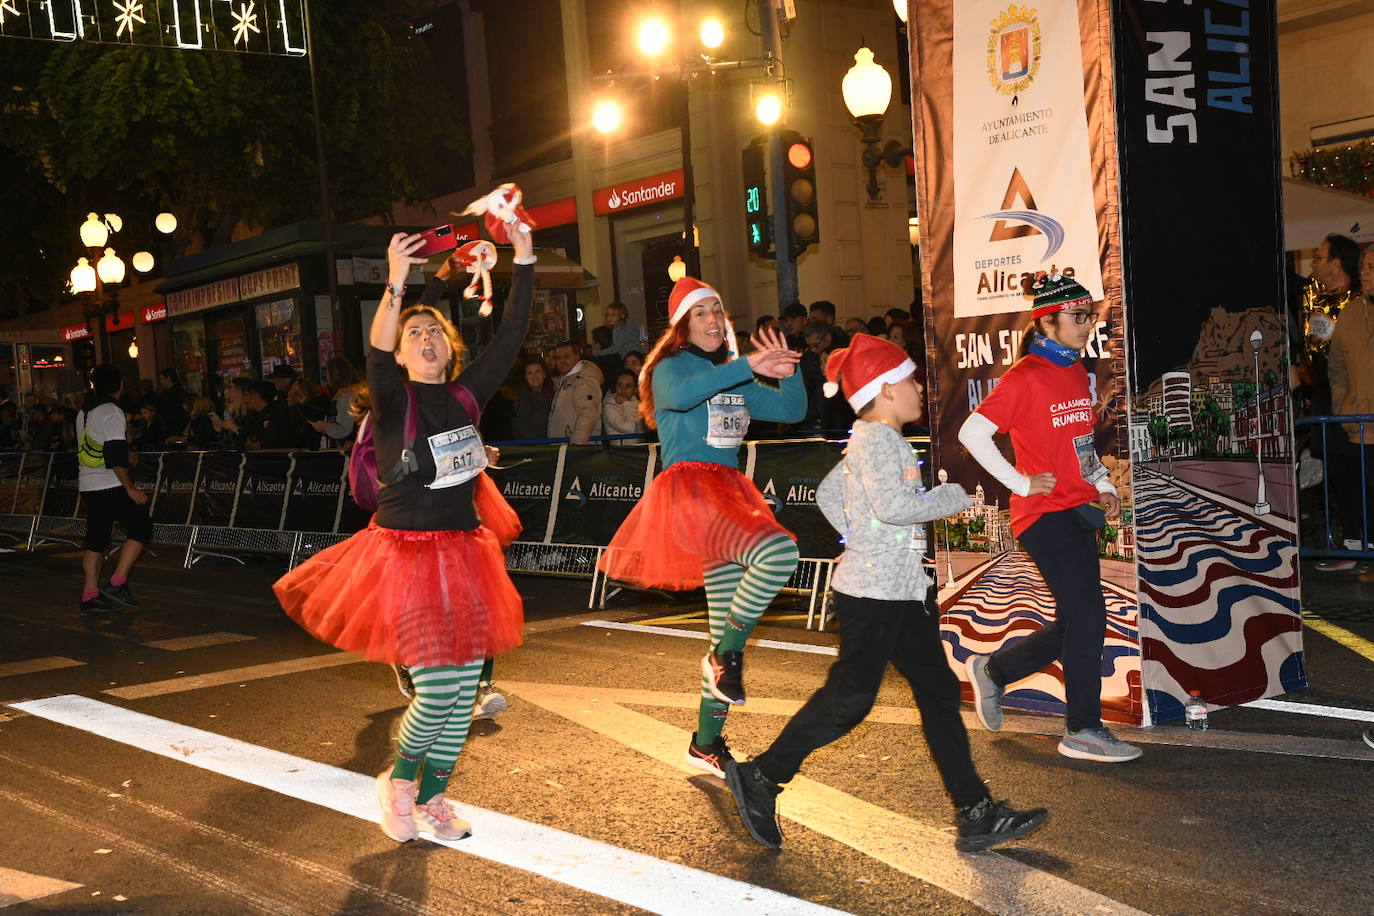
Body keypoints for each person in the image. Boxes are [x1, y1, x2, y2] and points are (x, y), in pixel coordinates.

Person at [724, 335, 1049, 851]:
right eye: (911, 378)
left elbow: (834, 495)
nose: (919, 387)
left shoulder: (867, 438)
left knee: (938, 694)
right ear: (886, 388)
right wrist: (950, 496)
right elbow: (895, 506)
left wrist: (860, 537)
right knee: (851, 699)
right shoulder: (878, 439)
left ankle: (975, 812)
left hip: (895, 591)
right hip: (875, 595)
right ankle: (762, 776)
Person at [273, 218, 536, 843]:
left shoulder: (468, 397)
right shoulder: (393, 398)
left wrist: (523, 261)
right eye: (413, 333)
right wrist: (396, 281)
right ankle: (397, 782)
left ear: (449, 350)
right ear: (399, 351)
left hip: (466, 548)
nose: (424, 337)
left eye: (434, 333)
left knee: (465, 682)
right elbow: (378, 345)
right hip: (406, 554)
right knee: (441, 686)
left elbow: (513, 333)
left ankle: (434, 798)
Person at [598, 275, 804, 777]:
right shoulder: (667, 369)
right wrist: (746, 365)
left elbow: (792, 410)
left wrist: (787, 370)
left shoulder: (731, 375)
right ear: (682, 325)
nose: (714, 319)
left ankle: (705, 741)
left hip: (730, 496)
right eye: (702, 312)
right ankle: (724, 653)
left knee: (724, 627)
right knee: (777, 554)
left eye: (718, 311)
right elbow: (690, 392)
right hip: (691, 496)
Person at [958, 273, 1140, 763]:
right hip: (1041, 515)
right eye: (1079, 317)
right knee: (1088, 614)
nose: (1087, 326)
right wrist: (1020, 483)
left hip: (1076, 511)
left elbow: (1080, 446)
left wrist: (1102, 485)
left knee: (1078, 619)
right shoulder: (1026, 376)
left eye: (1090, 317)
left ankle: (994, 671)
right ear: (1048, 321)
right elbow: (972, 433)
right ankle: (1081, 729)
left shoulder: (1076, 374)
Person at [76, 364, 153, 613]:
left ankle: (90, 594)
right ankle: (117, 582)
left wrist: (124, 455)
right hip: (110, 483)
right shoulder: (112, 411)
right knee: (141, 526)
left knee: (97, 538)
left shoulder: (83, 412)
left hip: (88, 482)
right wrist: (129, 488)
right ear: (118, 384)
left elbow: (98, 447)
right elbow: (114, 455)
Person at [1328, 246, 1374, 578]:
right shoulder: (1353, 312)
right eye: (1365, 267)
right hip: (1362, 425)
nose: (1366, 273)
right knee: (1366, 493)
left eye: (1372, 267)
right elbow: (1337, 368)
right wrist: (1344, 410)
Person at [548, 340, 603, 444]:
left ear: (577, 356)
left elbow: (588, 414)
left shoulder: (584, 381)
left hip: (575, 451)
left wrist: (577, 445)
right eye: (558, 358)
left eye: (566, 356)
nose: (562, 361)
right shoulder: (566, 380)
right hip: (566, 448)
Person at [510, 355, 553, 440]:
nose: (534, 376)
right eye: (530, 373)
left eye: (537, 372)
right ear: (525, 377)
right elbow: (522, 425)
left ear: (544, 374)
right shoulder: (523, 397)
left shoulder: (550, 394)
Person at [602, 370, 645, 444]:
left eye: (628, 386)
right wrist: (626, 403)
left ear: (635, 389)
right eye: (620, 385)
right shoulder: (609, 406)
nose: (623, 389)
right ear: (615, 387)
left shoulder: (637, 403)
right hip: (620, 452)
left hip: (638, 451)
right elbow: (629, 429)